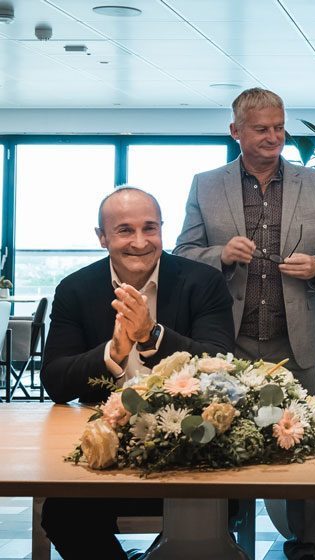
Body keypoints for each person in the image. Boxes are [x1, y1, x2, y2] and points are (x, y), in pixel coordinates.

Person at [174, 87, 315, 560]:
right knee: (219, 443)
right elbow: (182, 255)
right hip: (227, 345)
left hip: (294, 344)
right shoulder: (206, 185)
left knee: (303, 449)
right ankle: (221, 539)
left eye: (279, 127)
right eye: (261, 129)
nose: (274, 137)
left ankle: (307, 545)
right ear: (235, 131)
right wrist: (220, 255)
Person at [41, 186, 235, 559]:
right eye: (125, 230)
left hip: (191, 445)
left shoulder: (203, 281)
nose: (140, 242)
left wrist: (151, 335)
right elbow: (55, 380)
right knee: (62, 515)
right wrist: (112, 353)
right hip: (105, 451)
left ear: (162, 229)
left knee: (217, 510)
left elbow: (221, 363)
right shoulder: (75, 289)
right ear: (102, 237)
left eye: (150, 228)